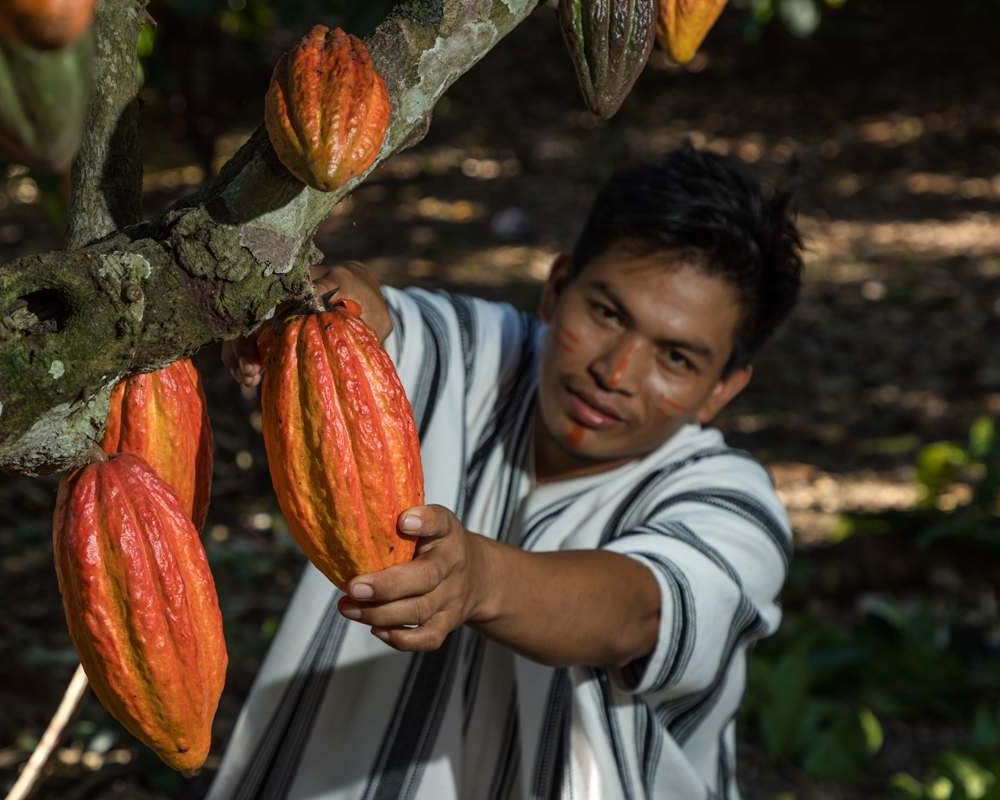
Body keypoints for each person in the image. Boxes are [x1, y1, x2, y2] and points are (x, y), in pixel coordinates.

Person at [212, 146, 802, 800]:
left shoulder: (732, 503)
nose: (617, 373)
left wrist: (479, 579)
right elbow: (391, 326)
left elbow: (639, 613)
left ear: (724, 388)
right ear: (556, 289)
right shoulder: (481, 351)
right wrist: (326, 305)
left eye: (678, 358)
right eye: (606, 313)